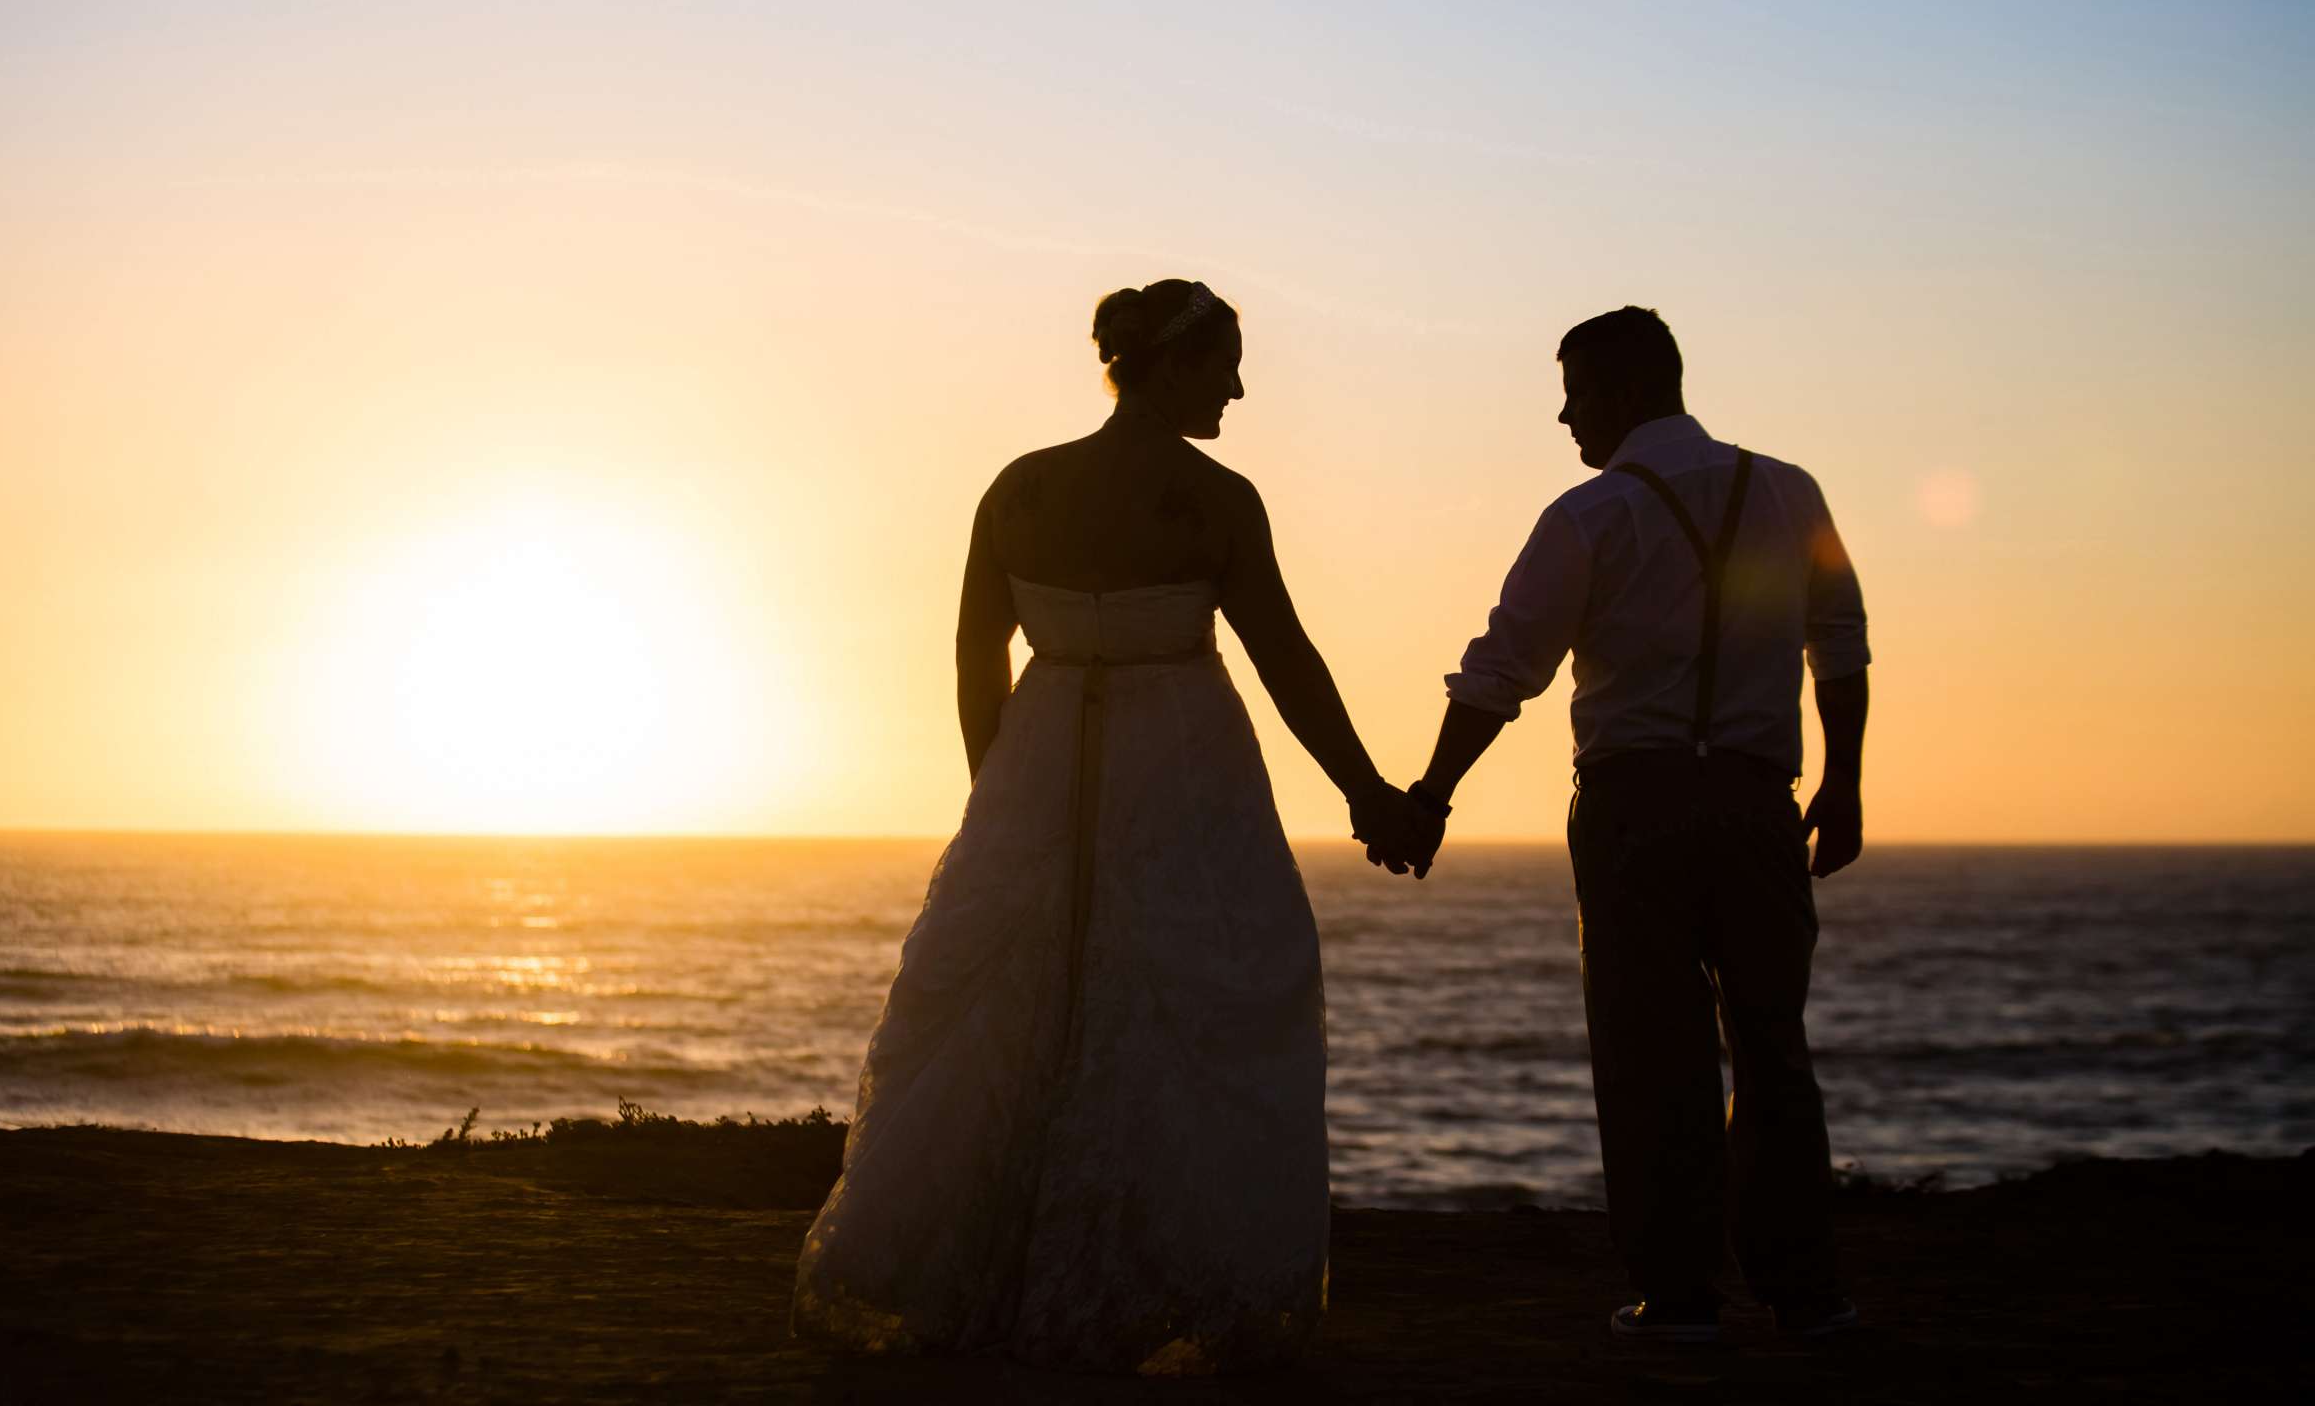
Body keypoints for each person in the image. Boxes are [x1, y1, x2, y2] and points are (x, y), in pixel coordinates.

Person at [793, 278, 1426, 1375]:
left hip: (1036, 756)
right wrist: (1368, 791)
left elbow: (974, 652)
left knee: (1007, 1000)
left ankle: (960, 1268)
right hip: (1181, 763)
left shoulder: (1019, 488)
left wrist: (998, 793)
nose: (1238, 386)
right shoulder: (1217, 498)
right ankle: (1173, 1277)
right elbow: (1285, 660)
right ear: (1171, 367)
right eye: (1225, 364)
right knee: (1205, 990)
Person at [1379, 305, 1869, 1343]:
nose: (1565, 415)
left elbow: (1501, 671)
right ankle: (1806, 1291)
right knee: (1774, 1044)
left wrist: (1430, 796)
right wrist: (1847, 782)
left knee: (1652, 1055)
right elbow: (1841, 645)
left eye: (1577, 392)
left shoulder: (1588, 516)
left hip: (1633, 811)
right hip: (1757, 803)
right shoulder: (1790, 491)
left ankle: (1682, 1298)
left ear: (1628, 391)